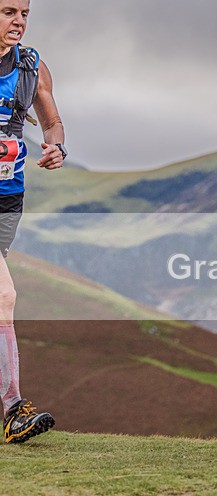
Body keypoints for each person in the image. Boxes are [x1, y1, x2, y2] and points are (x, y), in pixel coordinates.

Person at [0, 0, 65, 444]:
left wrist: (56, 147)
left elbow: (53, 122)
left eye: (24, 13)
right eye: (7, 11)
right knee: (4, 293)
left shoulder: (32, 65)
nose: (19, 21)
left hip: (8, 197)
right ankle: (11, 409)